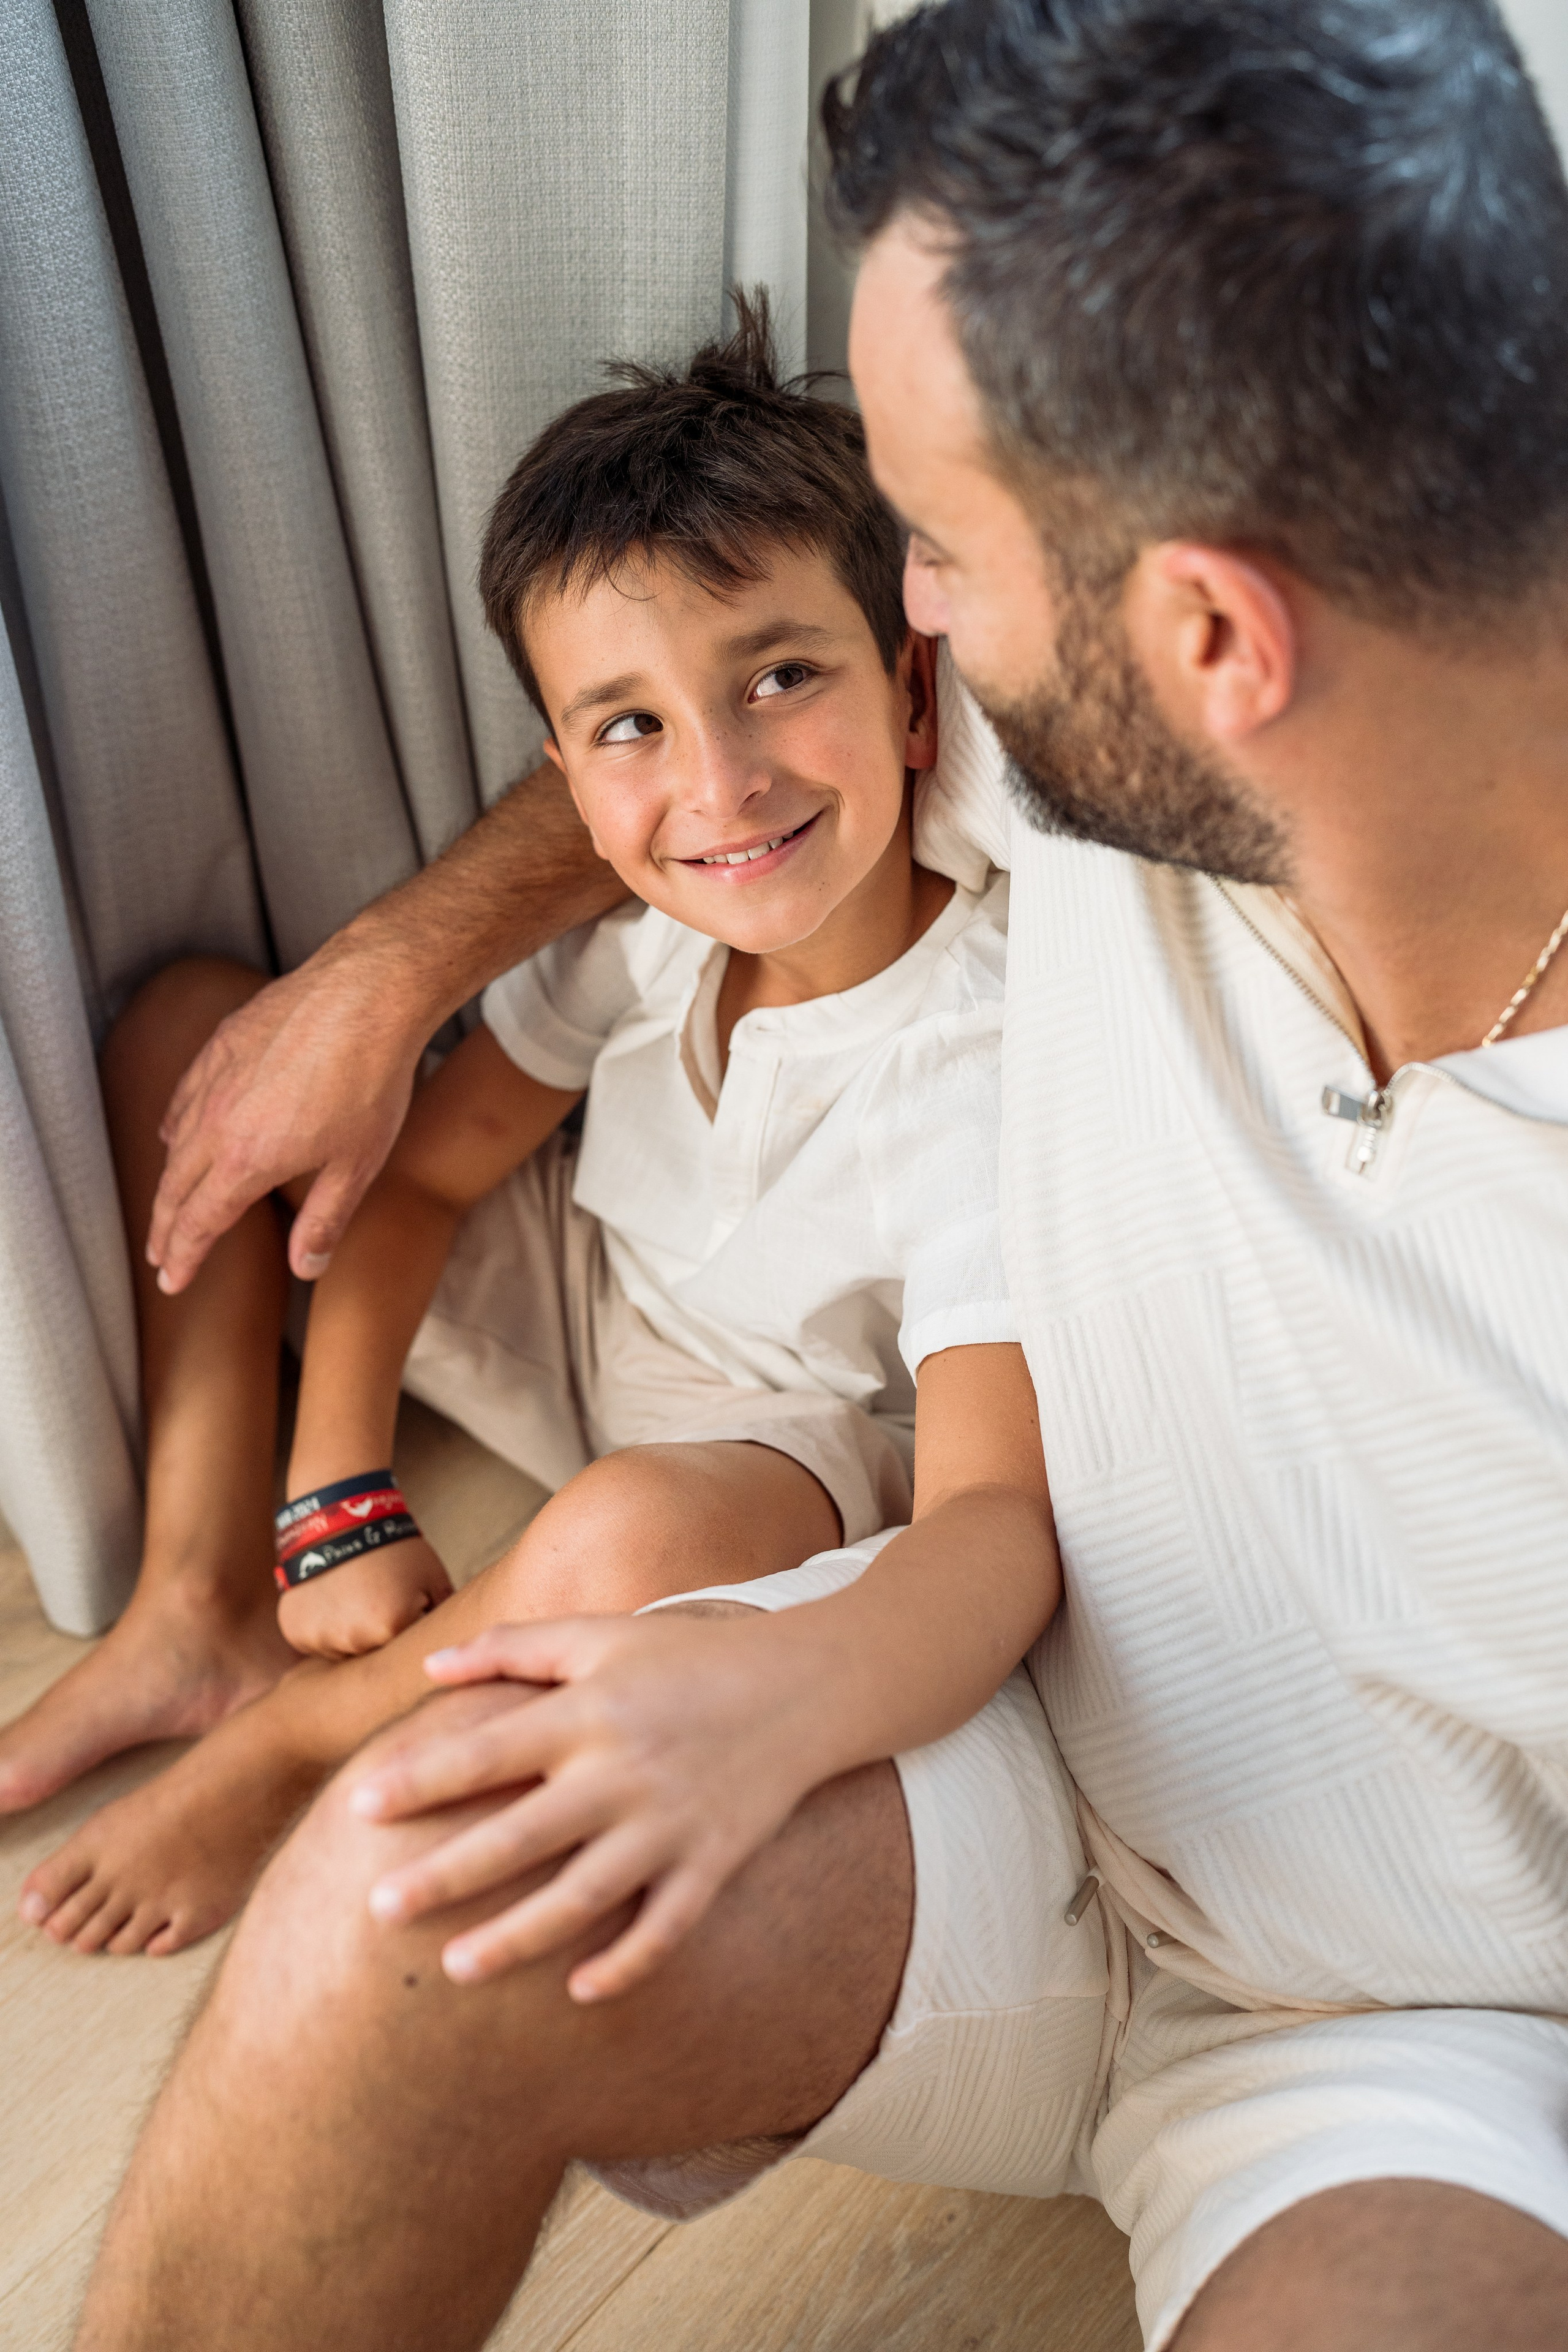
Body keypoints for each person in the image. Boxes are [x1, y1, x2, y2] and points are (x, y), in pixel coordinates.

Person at [69, 2, 1568, 2348]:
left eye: (941, 559)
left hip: (1434, 2047)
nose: (919, 635)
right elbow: (679, 783)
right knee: (409, 1876)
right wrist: (387, 967)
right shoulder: (1100, 775)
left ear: (1210, 639)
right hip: (977, 1758)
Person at [7, 308, 1049, 1978]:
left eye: (783, 676)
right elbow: (419, 1175)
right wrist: (335, 1491)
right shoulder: (649, 930)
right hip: (586, 1290)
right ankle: (194, 1604)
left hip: (773, 1451)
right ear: (566, 775)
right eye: (633, 727)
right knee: (191, 1036)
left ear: (915, 696)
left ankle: (291, 1742)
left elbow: (993, 1525)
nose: (721, 785)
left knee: (635, 1530)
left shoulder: (993, 1065)